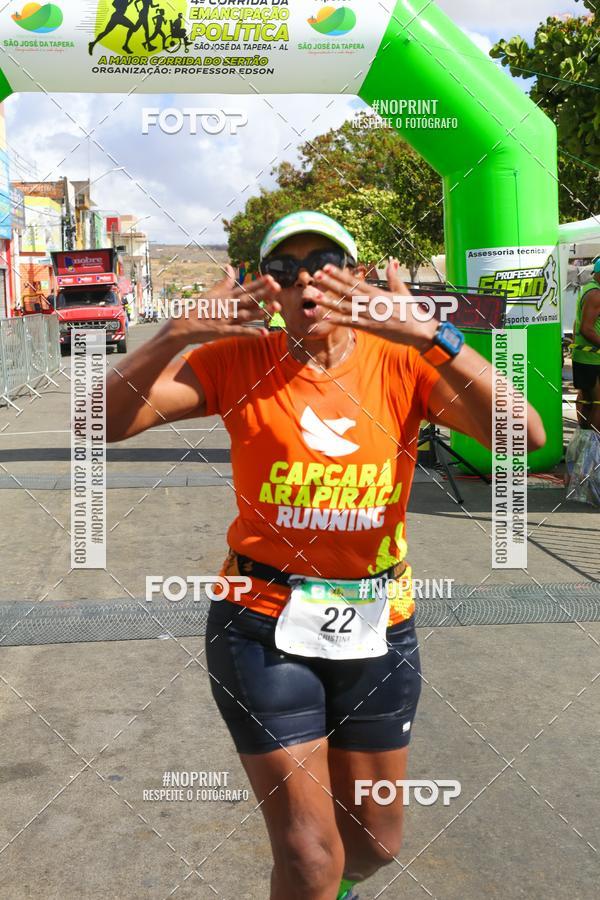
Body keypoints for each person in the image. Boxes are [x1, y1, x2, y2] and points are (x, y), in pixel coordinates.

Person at [106, 211, 546, 899]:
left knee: (372, 845)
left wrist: (432, 335)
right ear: (267, 288)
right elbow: (95, 423)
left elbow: (523, 435)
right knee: (310, 856)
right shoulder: (238, 360)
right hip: (260, 623)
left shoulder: (404, 359)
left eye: (325, 264)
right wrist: (175, 334)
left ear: (357, 279)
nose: (306, 279)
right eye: (286, 268)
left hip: (378, 622)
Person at [572, 258, 600, 432]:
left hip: (585, 356)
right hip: (593, 358)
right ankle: (593, 449)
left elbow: (577, 324)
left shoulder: (587, 289)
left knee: (586, 400)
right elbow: (586, 329)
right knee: (598, 403)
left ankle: (584, 445)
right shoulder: (596, 295)